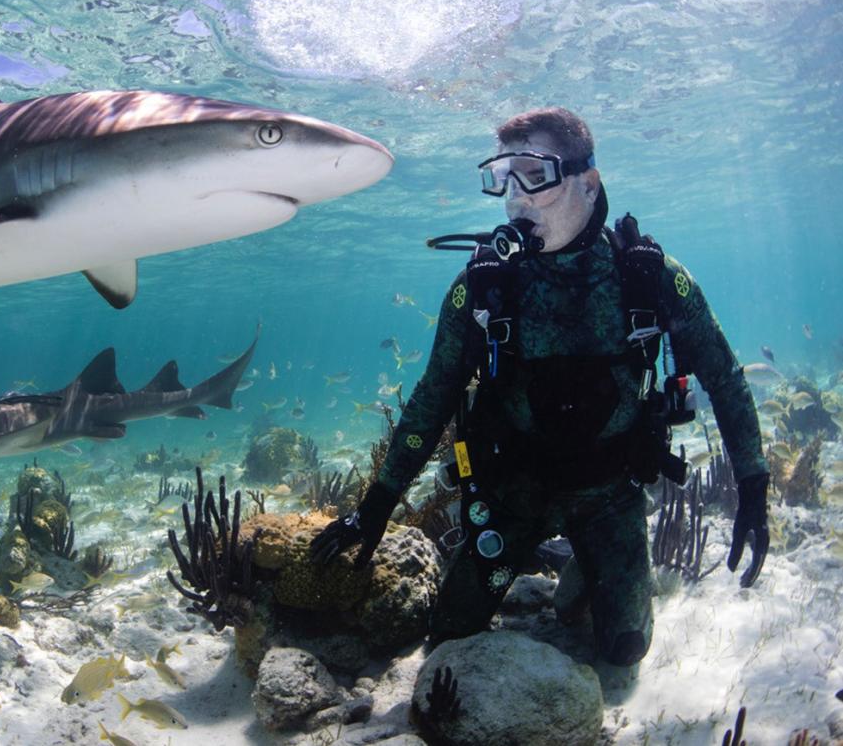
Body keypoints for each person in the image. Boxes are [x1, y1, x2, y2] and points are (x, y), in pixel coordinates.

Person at [311, 107, 769, 666]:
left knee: (626, 651)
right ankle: (559, 557)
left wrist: (753, 488)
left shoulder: (647, 276)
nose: (515, 198)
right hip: (512, 492)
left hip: (609, 493)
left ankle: (587, 568)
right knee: (449, 634)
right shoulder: (483, 288)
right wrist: (377, 506)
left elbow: (724, 379)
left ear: (588, 182)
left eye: (534, 174)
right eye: (502, 177)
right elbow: (433, 398)